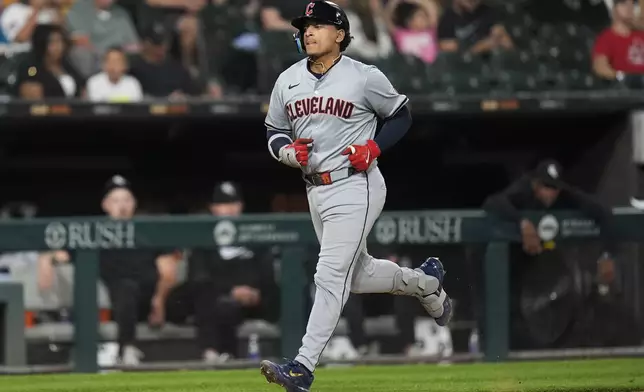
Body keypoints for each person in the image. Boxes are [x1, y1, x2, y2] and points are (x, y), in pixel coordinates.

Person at [259, 2, 452, 390]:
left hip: (356, 182)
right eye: (305, 26)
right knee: (357, 276)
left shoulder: (364, 76)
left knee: (329, 275)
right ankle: (427, 284)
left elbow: (401, 114)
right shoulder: (288, 79)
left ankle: (302, 367)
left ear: (340, 34)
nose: (309, 31)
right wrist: (285, 151)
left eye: (318, 25)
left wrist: (374, 148)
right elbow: (274, 130)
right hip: (315, 188)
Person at [483, 159, 618, 349]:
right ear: (536, 184)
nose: (551, 193)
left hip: (544, 260)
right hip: (513, 260)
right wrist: (522, 222)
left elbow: (604, 215)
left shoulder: (565, 194)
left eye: (554, 188)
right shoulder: (523, 189)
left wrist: (607, 255)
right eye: (546, 186)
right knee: (507, 310)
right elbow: (493, 203)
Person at [187, 181, 279, 360]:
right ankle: (215, 354)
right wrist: (230, 291)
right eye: (222, 204)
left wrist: (253, 292)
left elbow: (267, 275)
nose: (228, 209)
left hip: (255, 301)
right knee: (212, 299)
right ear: (213, 208)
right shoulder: (203, 241)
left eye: (232, 204)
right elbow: (198, 277)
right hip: (218, 302)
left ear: (240, 206)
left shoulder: (256, 236)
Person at [14, 24, 85, 99]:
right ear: (42, 43)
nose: (59, 46)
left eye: (61, 41)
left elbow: (81, 85)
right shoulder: (32, 68)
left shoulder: (67, 65)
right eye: (53, 42)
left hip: (73, 109)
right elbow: (30, 84)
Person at [592, 0, 644, 81]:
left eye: (632, 4)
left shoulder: (641, 35)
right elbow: (600, 66)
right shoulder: (606, 38)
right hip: (624, 89)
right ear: (614, 8)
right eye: (623, 3)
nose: (629, 7)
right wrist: (620, 77)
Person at [437, 0, 512, 54]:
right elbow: (444, 48)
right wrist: (480, 47)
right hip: (457, 70)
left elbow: (506, 43)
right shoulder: (445, 17)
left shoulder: (490, 13)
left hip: (485, 69)